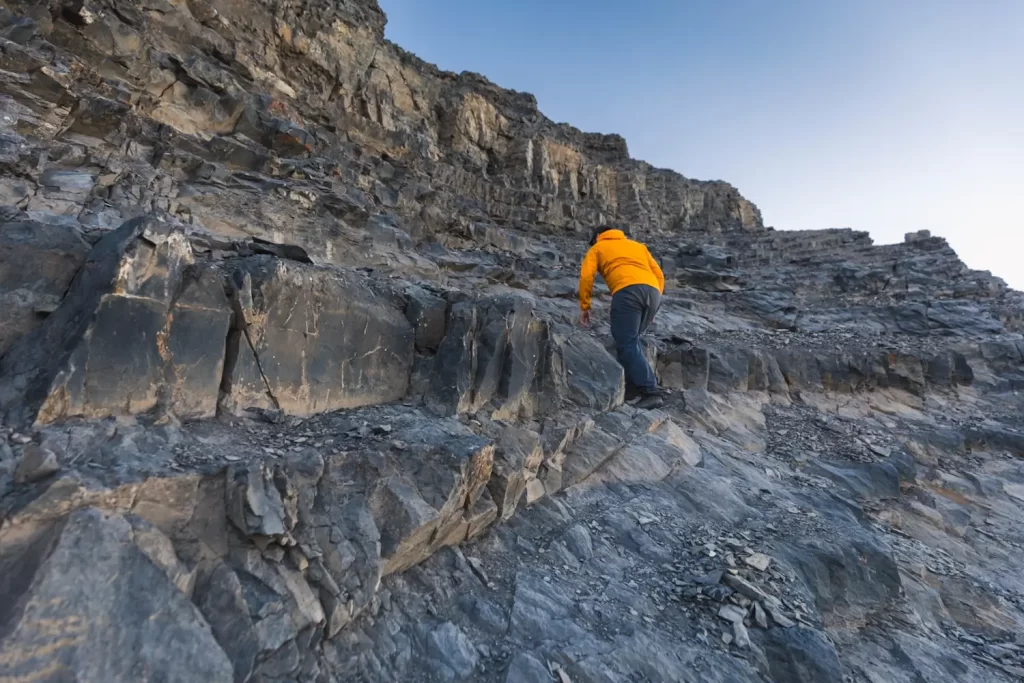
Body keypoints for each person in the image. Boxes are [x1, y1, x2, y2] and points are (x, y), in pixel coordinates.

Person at [578, 225, 666, 409]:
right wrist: (654, 306)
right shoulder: (638, 246)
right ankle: (636, 385)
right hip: (653, 292)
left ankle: (650, 391)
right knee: (632, 341)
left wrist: (585, 306)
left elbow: (587, 276)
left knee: (626, 341)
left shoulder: (598, 248)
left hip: (627, 292)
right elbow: (659, 274)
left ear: (597, 237)